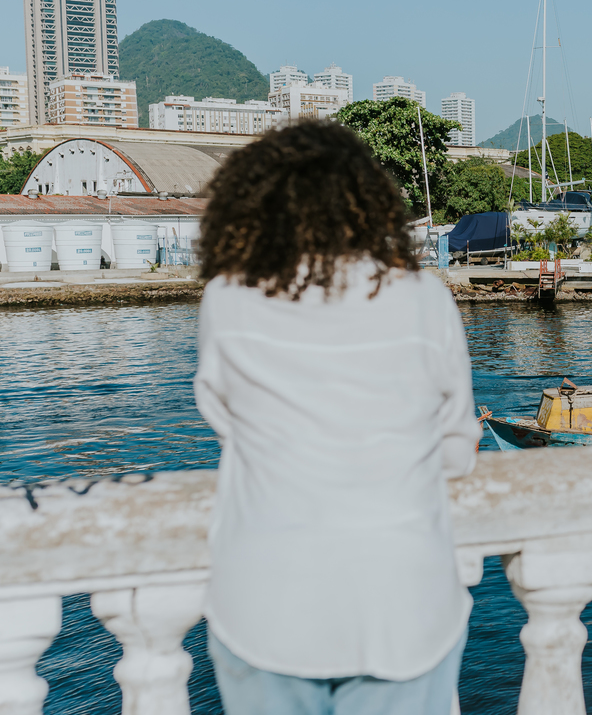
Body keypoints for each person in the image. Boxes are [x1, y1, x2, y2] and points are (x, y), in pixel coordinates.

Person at [193, 120, 480, 715]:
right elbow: (456, 447)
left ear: (252, 203)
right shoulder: (425, 297)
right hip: (404, 600)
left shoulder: (228, 296)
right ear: (367, 201)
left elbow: (225, 418)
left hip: (265, 603)